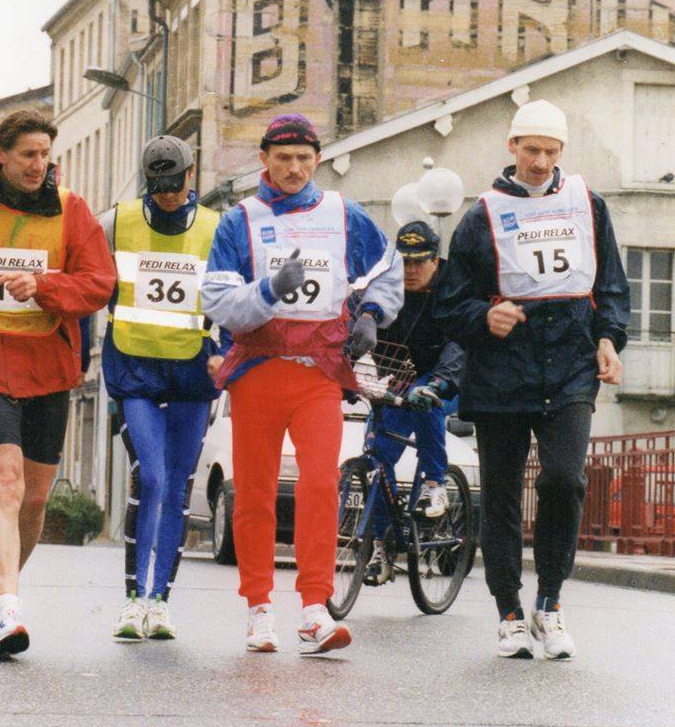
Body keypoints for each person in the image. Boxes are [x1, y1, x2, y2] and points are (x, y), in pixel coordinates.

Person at [201, 113, 403, 655]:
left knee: (320, 482)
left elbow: (388, 267)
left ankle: (315, 607)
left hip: (318, 373)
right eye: (283, 158)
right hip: (259, 371)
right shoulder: (239, 221)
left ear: (318, 159)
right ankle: (259, 607)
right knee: (255, 491)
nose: (294, 169)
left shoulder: (344, 213)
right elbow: (218, 301)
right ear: (264, 159)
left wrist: (371, 314)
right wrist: (268, 290)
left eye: (304, 159)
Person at [436, 99, 629, 660]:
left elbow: (611, 285)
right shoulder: (481, 216)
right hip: (502, 371)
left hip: (570, 365)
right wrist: (484, 316)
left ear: (562, 151)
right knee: (501, 495)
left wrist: (609, 338)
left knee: (564, 480)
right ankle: (509, 613)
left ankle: (550, 602)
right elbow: (452, 305)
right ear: (512, 147)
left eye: (550, 151)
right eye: (531, 150)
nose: (541, 162)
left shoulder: (588, 204)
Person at [0, 110, 114, 659]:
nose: (39, 165)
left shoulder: (72, 210)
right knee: (6, 485)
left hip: (50, 365)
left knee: (34, 499)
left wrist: (43, 286)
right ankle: (9, 610)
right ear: (1, 153)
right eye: (28, 155)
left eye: (45, 154)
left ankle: (1, 583)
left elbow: (99, 284)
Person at [101, 136, 227, 642]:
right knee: (150, 477)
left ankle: (159, 602)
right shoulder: (117, 222)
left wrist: (228, 350)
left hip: (193, 371)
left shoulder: (217, 228)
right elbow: (88, 278)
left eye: (175, 185)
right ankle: (133, 599)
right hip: (134, 367)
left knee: (176, 486)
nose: (168, 196)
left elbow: (232, 296)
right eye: (158, 187)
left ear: (191, 174)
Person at [363, 220, 464, 587]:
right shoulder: (385, 285)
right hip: (398, 374)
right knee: (376, 456)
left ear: (435, 260)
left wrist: (440, 382)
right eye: (404, 262)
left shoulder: (453, 287)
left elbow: (459, 341)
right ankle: (382, 545)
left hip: (443, 375)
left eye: (419, 262)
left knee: (427, 400)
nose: (410, 270)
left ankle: (435, 483)